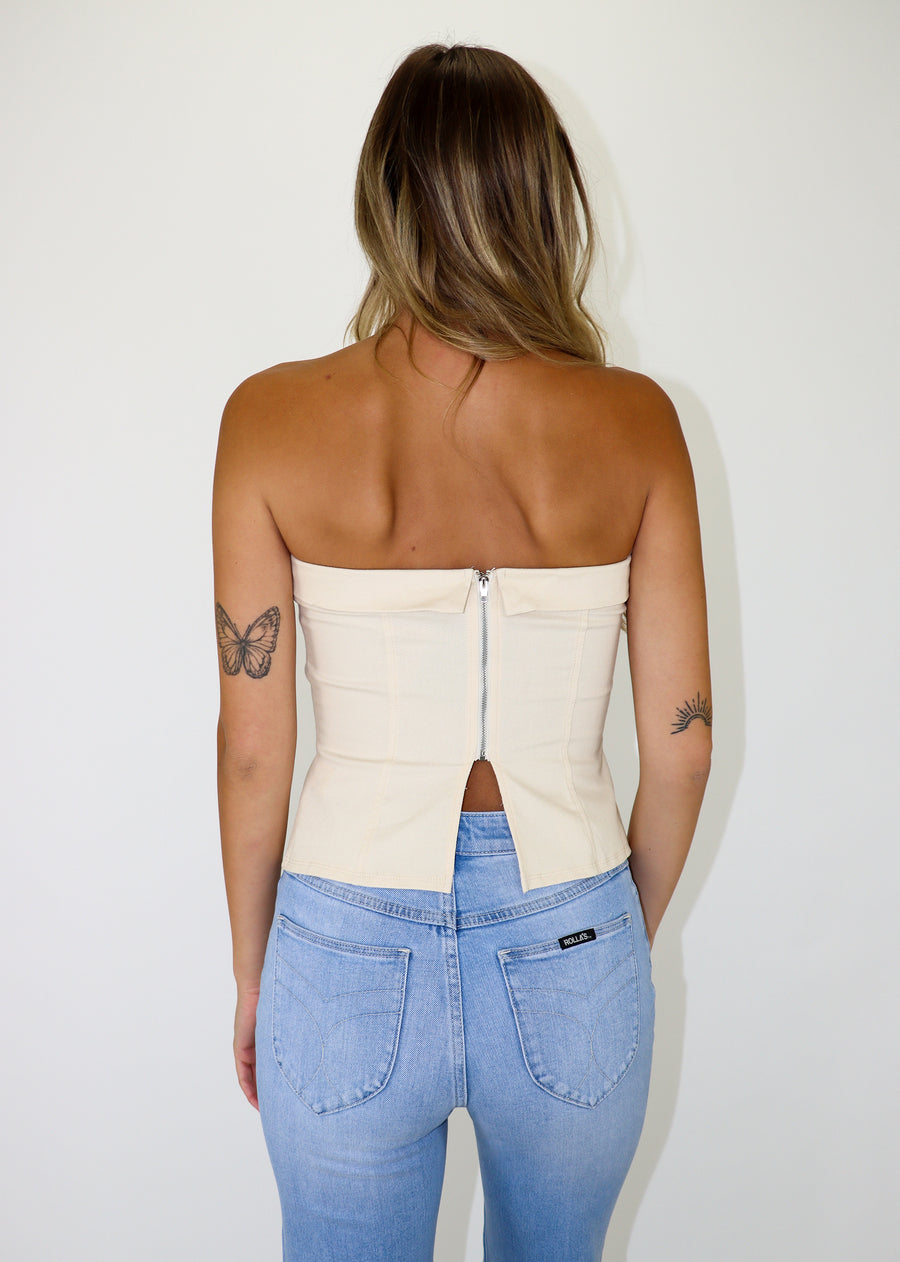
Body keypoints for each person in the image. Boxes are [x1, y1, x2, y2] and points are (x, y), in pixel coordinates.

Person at [213, 42, 711, 1262]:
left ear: (382, 197)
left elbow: (253, 748)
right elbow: (684, 747)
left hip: (340, 941)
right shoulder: (637, 422)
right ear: (544, 195)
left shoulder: (269, 419)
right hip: (573, 923)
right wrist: (607, 937)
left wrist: (254, 969)